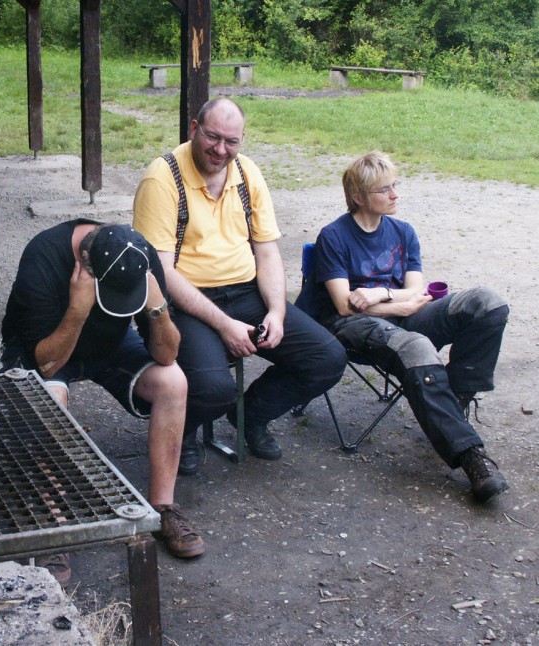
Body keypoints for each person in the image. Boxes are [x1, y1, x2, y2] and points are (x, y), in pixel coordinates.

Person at [133, 98, 347, 472]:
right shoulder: (162, 177)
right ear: (194, 128)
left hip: (245, 292)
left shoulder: (247, 173)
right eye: (212, 137)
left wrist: (277, 311)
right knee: (214, 388)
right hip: (185, 301)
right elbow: (161, 271)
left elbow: (267, 253)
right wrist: (224, 324)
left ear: (243, 139)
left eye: (231, 142)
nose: (220, 150)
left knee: (327, 358)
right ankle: (183, 429)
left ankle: (249, 416)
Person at [297, 151, 510, 503]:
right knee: (416, 346)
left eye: (395, 185)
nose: (395, 194)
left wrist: (382, 293)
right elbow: (343, 305)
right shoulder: (333, 236)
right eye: (385, 189)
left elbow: (416, 291)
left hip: (400, 316)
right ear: (359, 197)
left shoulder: (403, 231)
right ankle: (471, 456)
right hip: (351, 326)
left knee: (486, 302)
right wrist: (403, 303)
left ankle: (454, 400)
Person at [0, 220, 206, 582]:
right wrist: (78, 309)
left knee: (173, 381)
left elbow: (168, 354)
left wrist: (157, 310)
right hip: (47, 345)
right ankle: (54, 524)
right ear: (84, 263)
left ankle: (163, 507)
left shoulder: (138, 256)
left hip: (108, 346)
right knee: (50, 398)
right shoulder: (43, 256)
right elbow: (47, 362)